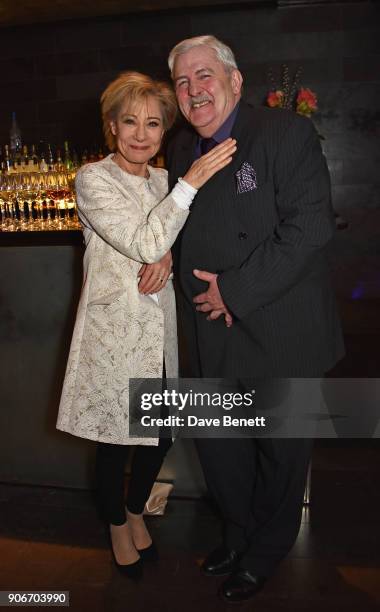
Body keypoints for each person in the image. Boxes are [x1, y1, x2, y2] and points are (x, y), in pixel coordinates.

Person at [166, 36, 344, 603]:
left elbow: (310, 228)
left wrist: (234, 291)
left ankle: (265, 551)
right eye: (182, 82)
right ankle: (238, 534)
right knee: (221, 451)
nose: (194, 91)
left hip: (280, 329)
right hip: (209, 334)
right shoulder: (177, 150)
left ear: (235, 82)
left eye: (204, 76)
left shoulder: (284, 135)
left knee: (280, 455)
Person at [56, 71, 236, 581]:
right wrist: (192, 184)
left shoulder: (162, 180)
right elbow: (140, 240)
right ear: (112, 126)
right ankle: (116, 523)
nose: (141, 133)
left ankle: (136, 511)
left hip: (160, 332)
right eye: (130, 121)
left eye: (153, 123)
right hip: (116, 332)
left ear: (164, 131)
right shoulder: (93, 179)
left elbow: (174, 240)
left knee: (159, 436)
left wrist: (173, 259)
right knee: (118, 439)